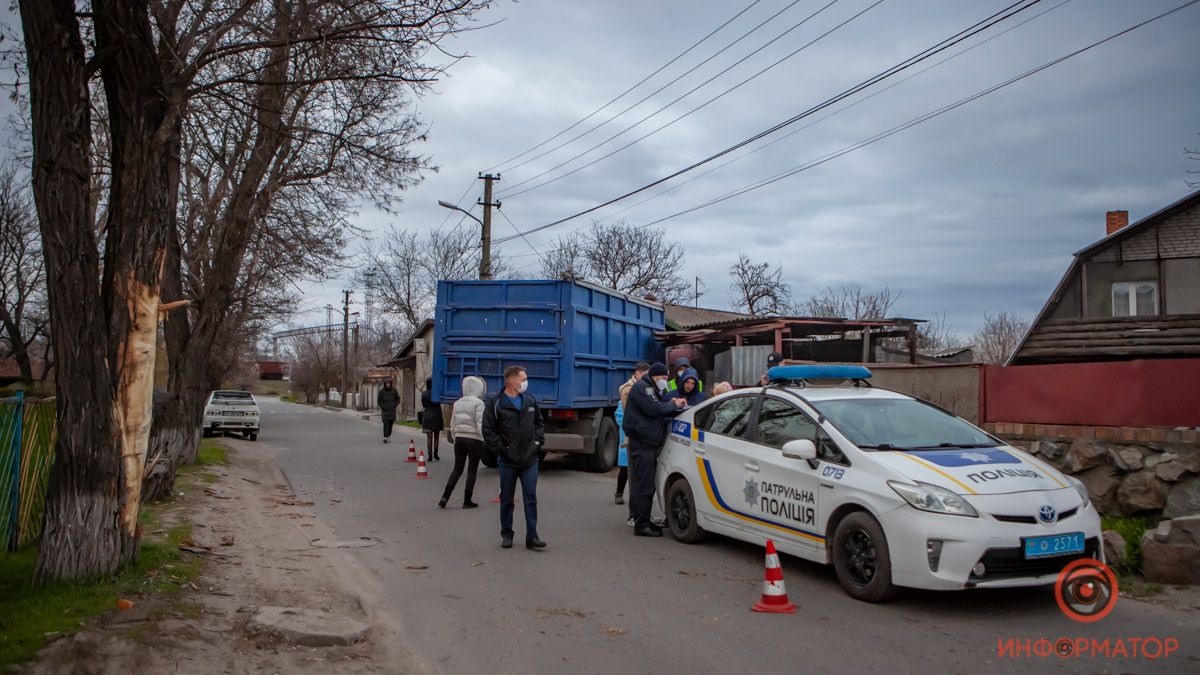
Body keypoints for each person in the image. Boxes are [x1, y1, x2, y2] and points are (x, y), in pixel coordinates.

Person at [482, 365, 546, 550]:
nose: (526, 382)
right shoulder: (496, 403)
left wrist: (537, 444)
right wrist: (502, 449)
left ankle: (532, 537)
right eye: (523, 379)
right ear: (512, 381)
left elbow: (539, 424)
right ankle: (507, 534)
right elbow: (488, 430)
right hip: (507, 461)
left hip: (530, 460)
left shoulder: (530, 401)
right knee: (507, 499)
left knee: (530, 496)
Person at [622, 362, 685, 537]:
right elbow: (653, 409)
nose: (666, 381)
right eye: (664, 378)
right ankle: (641, 524)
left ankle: (643, 519)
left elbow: (656, 411)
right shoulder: (644, 388)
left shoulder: (651, 388)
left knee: (644, 483)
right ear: (656, 376)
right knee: (645, 485)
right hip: (642, 443)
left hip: (647, 443)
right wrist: (675, 406)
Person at [440, 376, 486, 509]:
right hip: (474, 439)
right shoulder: (479, 403)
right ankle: (467, 500)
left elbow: (453, 423)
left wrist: (455, 437)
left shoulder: (458, 403)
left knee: (457, 469)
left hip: (459, 439)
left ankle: (445, 497)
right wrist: (483, 439)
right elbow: (480, 423)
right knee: (472, 470)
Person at [614, 362, 650, 510]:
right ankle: (619, 493)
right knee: (625, 467)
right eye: (643, 374)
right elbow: (622, 412)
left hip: (635, 431)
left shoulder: (644, 388)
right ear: (637, 373)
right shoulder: (628, 389)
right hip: (628, 432)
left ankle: (633, 497)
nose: (645, 377)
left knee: (633, 467)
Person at [421, 377, 443, 461]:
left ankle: (429, 456)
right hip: (437, 414)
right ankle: (436, 454)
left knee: (429, 437)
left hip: (427, 415)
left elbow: (423, 404)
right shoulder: (437, 393)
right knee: (436, 436)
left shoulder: (424, 393)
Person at [376, 379, 400, 444]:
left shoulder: (394, 391)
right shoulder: (381, 391)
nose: (388, 385)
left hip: (392, 411)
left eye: (389, 383)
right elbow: (379, 400)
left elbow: (398, 398)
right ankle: (385, 437)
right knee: (385, 424)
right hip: (385, 411)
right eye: (387, 383)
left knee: (390, 425)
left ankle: (388, 435)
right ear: (385, 384)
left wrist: (394, 405)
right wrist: (382, 406)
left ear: (391, 384)